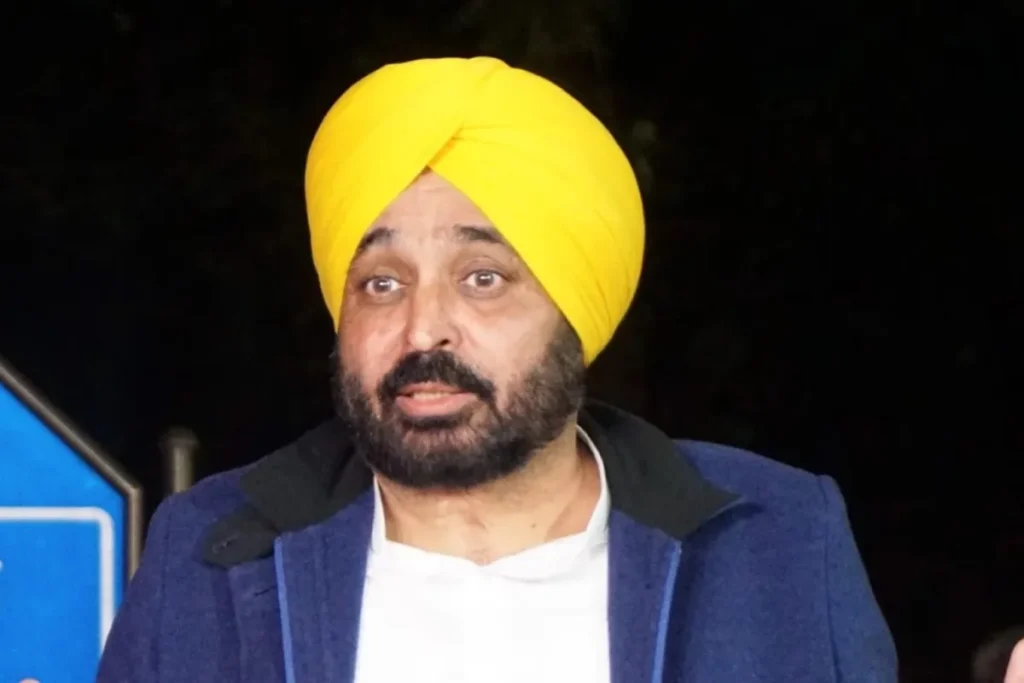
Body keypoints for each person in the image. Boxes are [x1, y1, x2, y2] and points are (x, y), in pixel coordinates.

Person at [98, 56, 898, 683]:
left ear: (576, 311)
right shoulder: (209, 548)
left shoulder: (779, 542)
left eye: (483, 277)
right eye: (381, 283)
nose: (424, 328)